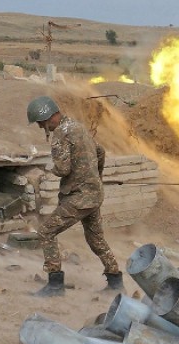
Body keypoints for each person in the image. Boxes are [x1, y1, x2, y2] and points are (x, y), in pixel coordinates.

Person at [26, 95, 123, 297]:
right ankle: (116, 281)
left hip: (79, 198)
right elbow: (100, 151)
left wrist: (50, 169)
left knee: (46, 231)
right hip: (94, 194)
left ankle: (55, 285)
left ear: (45, 118)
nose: (40, 127)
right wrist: (96, 176)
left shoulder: (61, 135)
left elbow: (63, 168)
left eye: (39, 123)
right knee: (96, 239)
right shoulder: (77, 127)